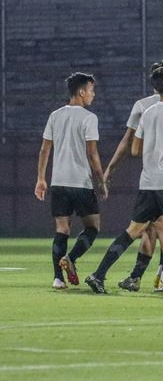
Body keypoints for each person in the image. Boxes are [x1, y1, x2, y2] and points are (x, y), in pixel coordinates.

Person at [85, 65, 163, 295]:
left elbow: (135, 149)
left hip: (148, 182)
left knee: (133, 230)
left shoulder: (147, 113)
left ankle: (98, 275)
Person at [35, 72, 107, 289]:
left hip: (58, 182)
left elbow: (44, 149)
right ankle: (71, 258)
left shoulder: (55, 115)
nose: (93, 95)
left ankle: (58, 279)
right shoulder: (89, 118)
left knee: (61, 229)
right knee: (93, 227)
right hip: (80, 182)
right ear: (82, 91)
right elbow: (92, 153)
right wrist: (101, 180)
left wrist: (41, 179)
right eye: (92, 91)